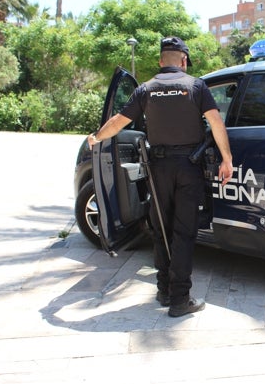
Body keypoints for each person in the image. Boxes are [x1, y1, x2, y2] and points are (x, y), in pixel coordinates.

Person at [87, 36, 233, 317]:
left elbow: (119, 122)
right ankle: (180, 300)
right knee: (184, 232)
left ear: (160, 61)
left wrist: (96, 137)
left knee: (161, 230)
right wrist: (227, 159)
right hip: (188, 168)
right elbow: (216, 122)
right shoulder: (195, 86)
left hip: (158, 169)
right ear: (183, 60)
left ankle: (164, 289)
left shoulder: (146, 89)